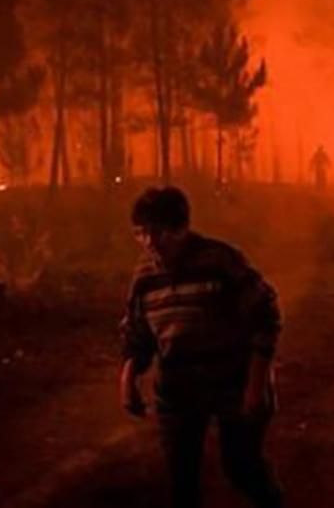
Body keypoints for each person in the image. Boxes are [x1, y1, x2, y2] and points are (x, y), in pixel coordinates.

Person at [119, 187, 283, 508]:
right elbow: (137, 334)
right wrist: (128, 381)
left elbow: (265, 317)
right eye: (141, 234)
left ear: (182, 228)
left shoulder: (220, 262)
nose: (151, 243)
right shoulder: (144, 276)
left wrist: (256, 385)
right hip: (177, 391)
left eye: (160, 232)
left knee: (241, 468)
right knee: (182, 481)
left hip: (232, 384)